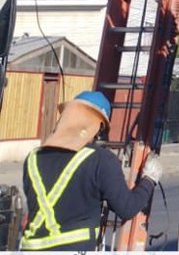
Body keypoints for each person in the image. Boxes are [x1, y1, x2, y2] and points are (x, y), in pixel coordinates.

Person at [20, 90, 160, 250]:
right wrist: (149, 180)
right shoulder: (100, 160)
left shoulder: (32, 157)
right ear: (99, 128)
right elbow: (126, 208)